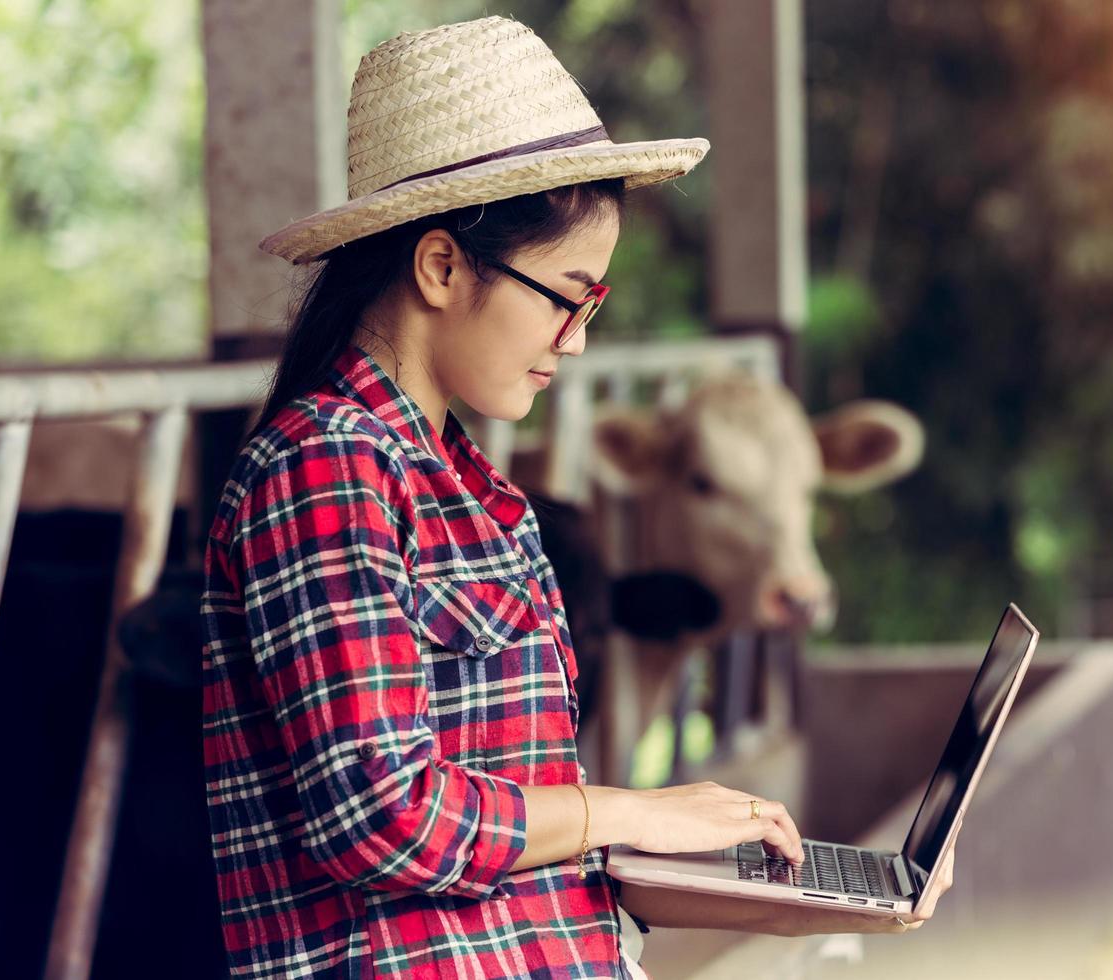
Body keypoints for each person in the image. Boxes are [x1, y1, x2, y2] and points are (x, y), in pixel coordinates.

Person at [200, 15, 955, 980]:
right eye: (566, 295)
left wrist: (729, 875)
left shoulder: (469, 486)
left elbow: (505, 839)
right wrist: (628, 809)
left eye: (592, 308)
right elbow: (384, 822)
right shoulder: (325, 470)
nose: (577, 341)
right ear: (440, 267)